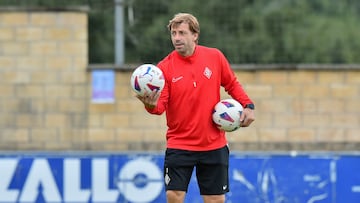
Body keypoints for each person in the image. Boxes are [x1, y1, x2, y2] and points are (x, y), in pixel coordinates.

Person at [136, 13, 255, 203]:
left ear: (195, 35)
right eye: (173, 33)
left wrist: (248, 106)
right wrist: (148, 104)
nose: (176, 38)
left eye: (182, 33)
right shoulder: (164, 68)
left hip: (213, 144)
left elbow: (231, 83)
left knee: (215, 199)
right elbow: (159, 108)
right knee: (174, 196)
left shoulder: (214, 57)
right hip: (179, 144)